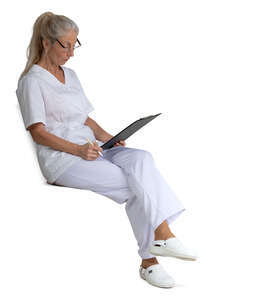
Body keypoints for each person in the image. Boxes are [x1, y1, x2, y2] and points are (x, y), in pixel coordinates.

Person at [16, 11, 197, 288]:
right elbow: (38, 133)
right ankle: (155, 252)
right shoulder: (31, 81)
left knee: (141, 158)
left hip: (94, 148)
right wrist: (77, 150)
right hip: (64, 159)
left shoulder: (71, 75)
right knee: (135, 184)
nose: (72, 53)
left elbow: (85, 119)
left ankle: (159, 245)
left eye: (75, 44)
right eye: (66, 45)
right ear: (46, 43)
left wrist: (111, 137)